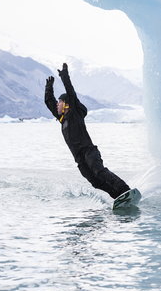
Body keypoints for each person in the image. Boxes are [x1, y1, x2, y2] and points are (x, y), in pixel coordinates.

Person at [44, 63, 131, 199]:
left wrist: (64, 76)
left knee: (99, 171)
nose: (57, 104)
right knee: (95, 182)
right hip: (79, 157)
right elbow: (49, 102)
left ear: (66, 104)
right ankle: (118, 196)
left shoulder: (74, 113)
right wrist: (48, 88)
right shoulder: (62, 118)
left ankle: (124, 189)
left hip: (89, 151)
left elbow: (71, 92)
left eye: (59, 101)